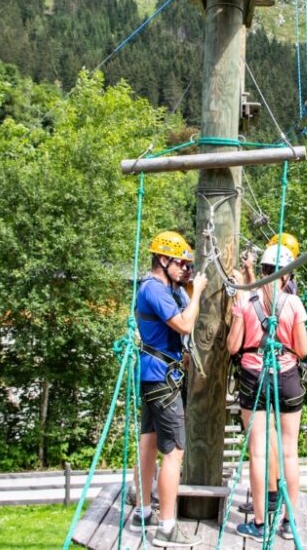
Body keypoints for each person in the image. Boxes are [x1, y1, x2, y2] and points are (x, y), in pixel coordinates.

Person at [226, 246, 307, 542]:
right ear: (287, 275)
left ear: (262, 270)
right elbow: (302, 350)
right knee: (289, 450)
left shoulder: (245, 301)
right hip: (286, 378)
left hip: (253, 377)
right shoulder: (294, 303)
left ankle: (260, 524)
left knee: (259, 452)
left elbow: (233, 347)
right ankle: (289, 522)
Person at [131, 230, 207, 548]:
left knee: (148, 442)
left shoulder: (165, 288)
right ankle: (166, 526)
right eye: (181, 264)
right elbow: (186, 324)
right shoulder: (155, 290)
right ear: (162, 260)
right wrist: (199, 290)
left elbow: (183, 308)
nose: (186, 270)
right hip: (163, 379)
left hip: (155, 375)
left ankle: (144, 510)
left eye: (188, 266)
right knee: (173, 451)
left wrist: (190, 285)